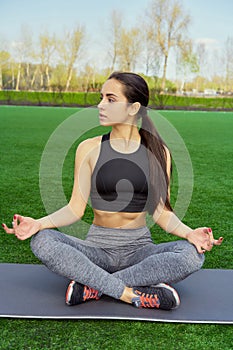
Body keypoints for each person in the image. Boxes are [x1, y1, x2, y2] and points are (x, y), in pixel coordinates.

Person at [2, 72, 223, 310]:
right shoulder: (88, 148)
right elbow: (75, 209)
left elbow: (161, 212)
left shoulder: (159, 153)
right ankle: (131, 293)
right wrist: (38, 223)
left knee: (192, 255)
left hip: (139, 251)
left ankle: (93, 286)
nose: (100, 105)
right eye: (101, 98)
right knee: (43, 240)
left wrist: (190, 233)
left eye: (110, 99)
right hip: (96, 251)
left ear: (133, 107)